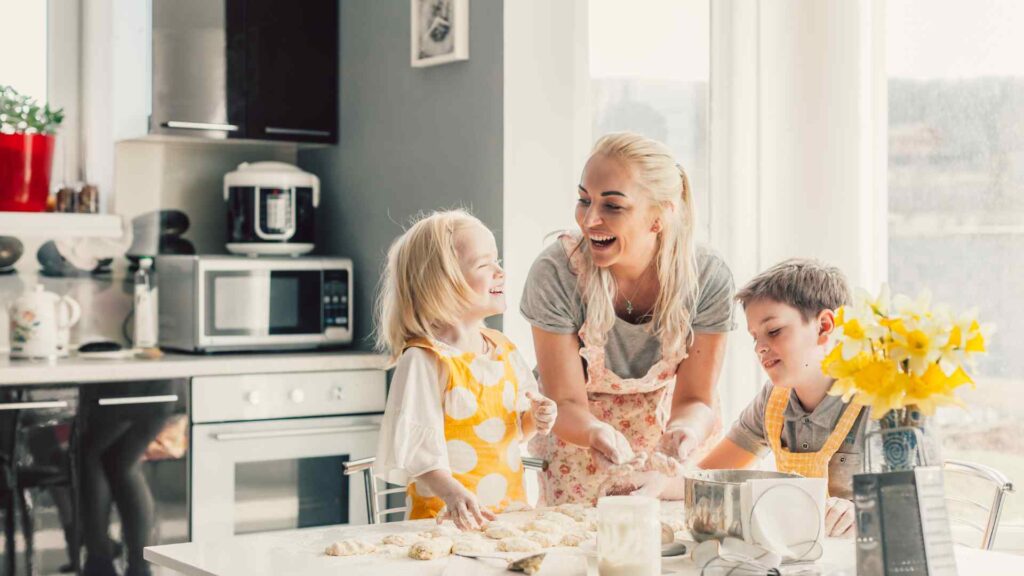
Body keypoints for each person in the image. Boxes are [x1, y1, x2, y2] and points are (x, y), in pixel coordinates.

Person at [520, 132, 736, 505]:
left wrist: (685, 430)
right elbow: (564, 400)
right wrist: (594, 433)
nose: (590, 220)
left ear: (659, 216)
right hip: (579, 445)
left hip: (667, 453)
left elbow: (697, 398)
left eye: (613, 206)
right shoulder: (557, 273)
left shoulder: (706, 277)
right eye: (584, 200)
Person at [374, 209, 558, 530]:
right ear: (442, 284)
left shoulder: (503, 349)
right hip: (443, 523)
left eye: (497, 260)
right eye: (484, 264)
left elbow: (512, 432)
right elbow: (419, 454)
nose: (499, 271)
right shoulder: (425, 359)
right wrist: (454, 496)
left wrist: (536, 419)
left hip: (506, 518)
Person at [697, 258, 865, 537]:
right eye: (754, 337)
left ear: (824, 326)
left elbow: (916, 509)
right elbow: (708, 475)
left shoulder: (880, 399)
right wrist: (655, 482)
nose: (760, 348)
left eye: (773, 331)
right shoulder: (774, 400)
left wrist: (862, 512)